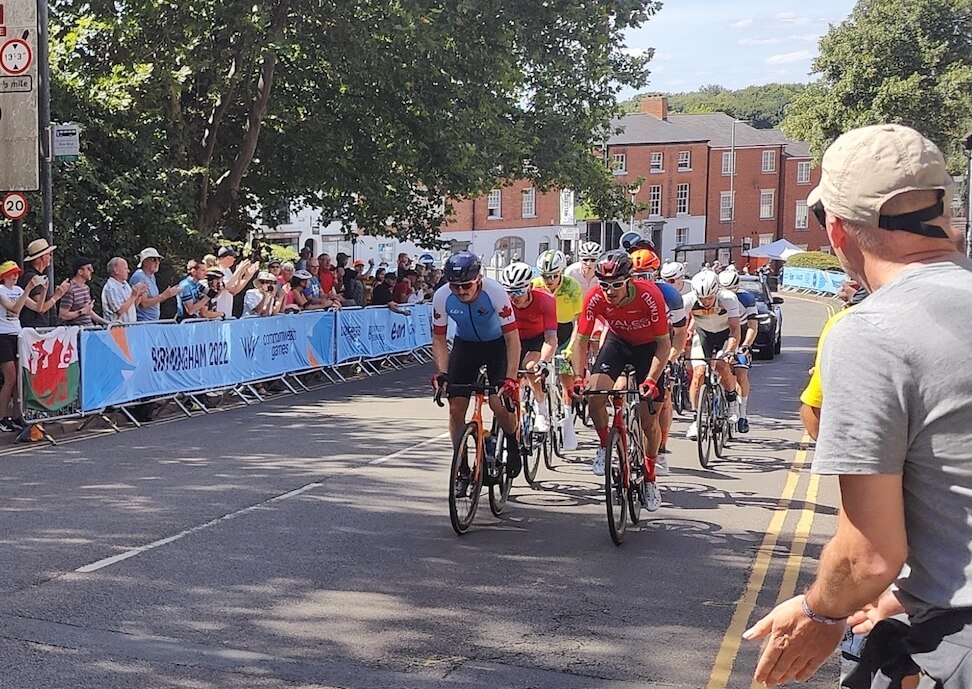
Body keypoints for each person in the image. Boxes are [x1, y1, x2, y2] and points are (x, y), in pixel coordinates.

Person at [744, 123, 972, 689]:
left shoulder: (871, 331)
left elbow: (868, 556)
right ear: (946, 212)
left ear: (839, 230)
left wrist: (822, 613)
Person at [569, 250, 671, 511]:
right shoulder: (595, 297)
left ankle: (649, 478)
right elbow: (581, 340)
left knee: (649, 422)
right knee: (594, 395)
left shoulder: (649, 295)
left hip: (649, 348)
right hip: (618, 342)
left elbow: (664, 344)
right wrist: (580, 378)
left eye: (616, 285)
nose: (609, 291)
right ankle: (605, 446)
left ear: (629, 280)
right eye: (604, 285)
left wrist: (650, 380)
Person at [431, 251, 522, 482]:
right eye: (455, 286)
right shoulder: (442, 297)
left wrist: (510, 378)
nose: (461, 291)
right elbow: (439, 338)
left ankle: (512, 443)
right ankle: (461, 467)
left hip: (497, 346)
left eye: (466, 285)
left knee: (497, 402)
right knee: (456, 407)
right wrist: (442, 372)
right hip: (466, 346)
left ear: (478, 279)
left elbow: (512, 339)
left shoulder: (496, 293)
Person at [631, 249, 688, 469]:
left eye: (645, 276)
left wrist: (672, 358)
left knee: (663, 399)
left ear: (655, 275)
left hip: (661, 344)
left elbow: (681, 333)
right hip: (633, 342)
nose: (640, 281)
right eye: (635, 276)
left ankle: (661, 447)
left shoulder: (670, 295)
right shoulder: (625, 293)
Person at [532, 249, 584, 449]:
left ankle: (568, 423)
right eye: (545, 276)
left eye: (554, 275)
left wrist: (571, 347)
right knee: (533, 369)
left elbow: (579, 322)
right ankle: (537, 406)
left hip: (564, 331)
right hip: (543, 331)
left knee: (565, 378)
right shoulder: (535, 285)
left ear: (561, 273)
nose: (549, 280)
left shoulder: (572, 287)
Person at [499, 262, 558, 433]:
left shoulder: (545, 300)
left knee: (532, 368)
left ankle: (541, 409)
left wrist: (544, 362)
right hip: (513, 339)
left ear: (530, 286)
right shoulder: (503, 302)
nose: (514, 297)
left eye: (518, 291)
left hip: (537, 339)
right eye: (509, 292)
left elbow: (550, 338)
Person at [683, 270, 741, 440]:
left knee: (722, 366)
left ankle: (731, 399)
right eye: (702, 299)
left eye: (709, 297)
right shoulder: (688, 300)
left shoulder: (728, 298)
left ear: (716, 292)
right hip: (703, 335)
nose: (706, 302)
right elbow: (675, 326)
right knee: (699, 373)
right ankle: (696, 420)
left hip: (725, 335)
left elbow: (735, 329)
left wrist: (730, 350)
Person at [0, 261, 46, 431]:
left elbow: (37, 308)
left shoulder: (18, 290)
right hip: (3, 336)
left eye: (17, 273)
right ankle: (2, 417)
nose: (16, 276)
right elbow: (13, 310)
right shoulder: (1, 291)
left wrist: (43, 291)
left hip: (17, 335)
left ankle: (17, 415)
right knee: (10, 378)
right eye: (12, 273)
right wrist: (28, 289)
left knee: (20, 378)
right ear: (4, 276)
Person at [718, 267, 758, 434]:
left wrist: (746, 346)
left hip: (740, 335)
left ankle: (743, 415)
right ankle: (720, 400)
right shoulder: (717, 298)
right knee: (718, 369)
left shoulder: (747, 299)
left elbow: (752, 326)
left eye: (731, 289)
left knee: (741, 373)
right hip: (722, 335)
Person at [18, 238, 70, 328]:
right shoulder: (33, 278)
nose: (50, 257)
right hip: (33, 327)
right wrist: (57, 295)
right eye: (49, 254)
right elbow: (41, 308)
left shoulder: (30, 275)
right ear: (43, 257)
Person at [130, 247, 180, 321]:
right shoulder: (139, 276)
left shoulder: (152, 276)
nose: (157, 262)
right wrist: (164, 296)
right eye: (153, 259)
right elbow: (144, 303)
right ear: (145, 262)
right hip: (143, 323)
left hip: (153, 321)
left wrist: (167, 295)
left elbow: (155, 300)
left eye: (158, 259)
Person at [59, 257, 109, 326]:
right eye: (88, 268)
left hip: (88, 329)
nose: (92, 271)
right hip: (78, 332)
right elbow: (62, 315)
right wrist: (81, 312)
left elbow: (88, 311)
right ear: (80, 272)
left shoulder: (86, 288)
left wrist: (107, 322)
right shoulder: (70, 289)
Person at [214, 247, 258, 317]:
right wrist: (239, 270)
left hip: (226, 312)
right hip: (217, 312)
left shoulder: (227, 270)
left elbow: (234, 290)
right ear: (227, 257)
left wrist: (247, 276)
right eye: (233, 257)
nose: (234, 259)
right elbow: (227, 286)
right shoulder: (217, 270)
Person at [102, 257, 147, 323]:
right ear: (116, 271)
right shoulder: (111, 288)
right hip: (116, 330)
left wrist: (138, 295)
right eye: (125, 268)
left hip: (129, 327)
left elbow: (132, 305)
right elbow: (119, 311)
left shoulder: (125, 284)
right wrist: (133, 296)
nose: (128, 271)